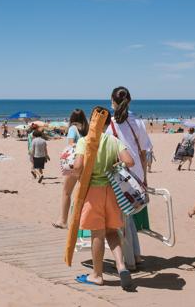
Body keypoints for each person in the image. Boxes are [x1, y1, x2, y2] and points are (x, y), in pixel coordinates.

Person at [73, 107, 134, 289]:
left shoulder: (85, 141)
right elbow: (130, 161)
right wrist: (115, 165)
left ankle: (97, 275)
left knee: (97, 234)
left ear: (92, 122)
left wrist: (78, 175)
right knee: (112, 231)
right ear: (108, 124)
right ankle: (121, 266)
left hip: (93, 192)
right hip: (112, 190)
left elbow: (78, 167)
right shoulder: (113, 140)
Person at [106, 86, 152, 268]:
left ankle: (130, 261)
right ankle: (136, 256)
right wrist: (145, 177)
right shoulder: (138, 122)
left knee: (121, 218)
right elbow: (143, 152)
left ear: (112, 101)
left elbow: (111, 153)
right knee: (129, 215)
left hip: (120, 176)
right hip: (137, 174)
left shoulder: (111, 125)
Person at [53, 109, 88, 229]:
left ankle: (63, 220)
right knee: (84, 193)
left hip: (74, 163)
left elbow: (71, 144)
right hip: (86, 164)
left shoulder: (73, 129)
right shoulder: (86, 129)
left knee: (67, 192)